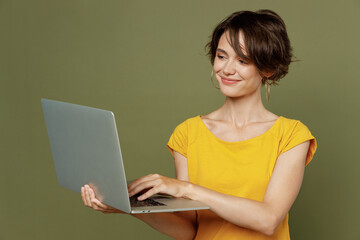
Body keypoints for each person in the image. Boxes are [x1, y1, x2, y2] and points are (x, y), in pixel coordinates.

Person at [81, 9, 317, 239]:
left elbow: (268, 220)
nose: (226, 69)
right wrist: (129, 207)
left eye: (242, 60)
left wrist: (187, 189)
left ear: (267, 69)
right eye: (221, 56)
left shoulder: (291, 135)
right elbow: (189, 230)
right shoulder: (188, 133)